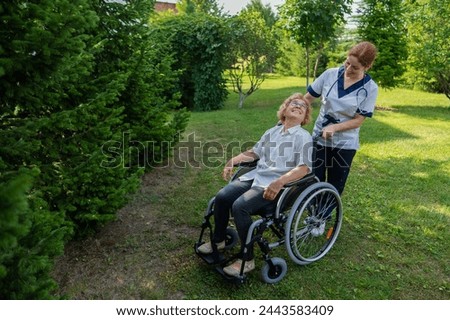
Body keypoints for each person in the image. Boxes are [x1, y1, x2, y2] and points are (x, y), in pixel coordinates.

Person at [197, 93, 313, 277]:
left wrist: (280, 181)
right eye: (294, 103)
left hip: (276, 187)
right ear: (284, 109)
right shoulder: (272, 131)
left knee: (240, 206)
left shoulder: (303, 137)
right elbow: (255, 153)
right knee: (222, 197)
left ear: (305, 116)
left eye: (303, 106)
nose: (299, 106)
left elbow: (304, 169)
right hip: (256, 176)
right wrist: (232, 160)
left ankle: (247, 259)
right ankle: (218, 240)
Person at [303, 41, 378, 195]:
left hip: (345, 144)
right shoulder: (330, 74)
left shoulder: (370, 88)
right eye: (347, 63)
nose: (348, 69)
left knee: (334, 184)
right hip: (319, 138)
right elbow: (308, 98)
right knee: (313, 179)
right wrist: (290, 115)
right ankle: (313, 213)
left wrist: (334, 128)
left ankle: (323, 216)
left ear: (367, 67)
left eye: (355, 67)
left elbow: (358, 120)